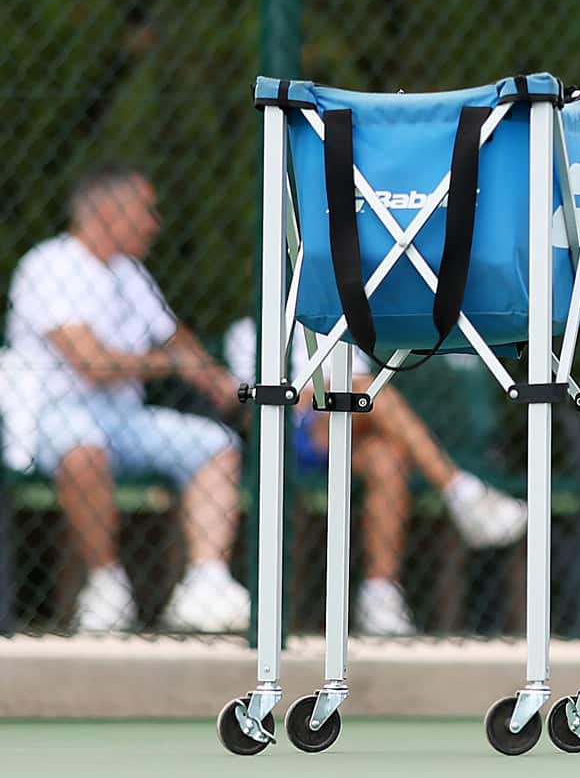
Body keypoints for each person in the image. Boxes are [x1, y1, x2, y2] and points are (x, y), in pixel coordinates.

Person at [2, 166, 250, 633]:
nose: (155, 223)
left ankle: (206, 585)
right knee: (83, 448)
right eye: (146, 210)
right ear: (109, 212)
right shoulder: (48, 264)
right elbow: (91, 365)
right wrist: (171, 365)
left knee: (215, 445)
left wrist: (222, 384)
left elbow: (175, 338)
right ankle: (104, 584)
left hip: (125, 418)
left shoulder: (131, 273)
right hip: (50, 414)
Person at [221, 319, 528, 635]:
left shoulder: (340, 323)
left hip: (350, 428)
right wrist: (327, 393)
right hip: (290, 435)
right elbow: (255, 403)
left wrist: (336, 392)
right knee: (368, 393)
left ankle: (380, 595)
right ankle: (460, 491)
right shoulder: (250, 329)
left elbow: (361, 388)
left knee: (388, 459)